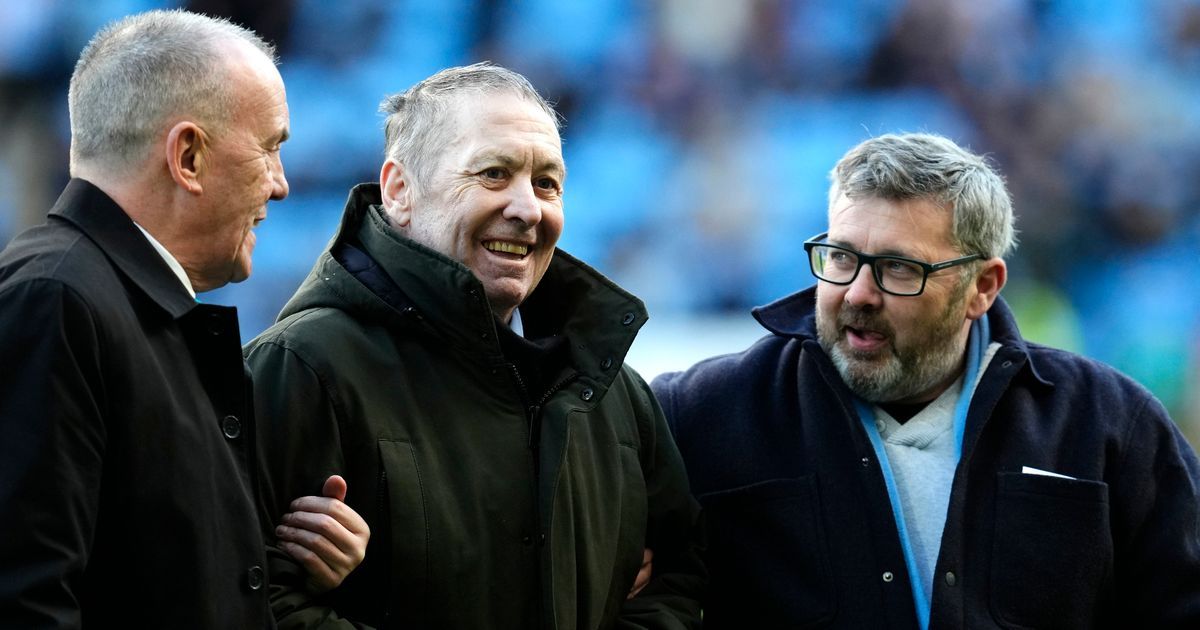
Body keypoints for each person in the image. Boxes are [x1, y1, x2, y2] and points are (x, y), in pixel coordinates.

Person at [652, 133, 1200, 629]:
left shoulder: (1110, 424)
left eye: (899, 268)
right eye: (841, 257)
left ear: (982, 287)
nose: (858, 293)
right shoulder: (697, 414)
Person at [245, 62, 705, 628]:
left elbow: (680, 582)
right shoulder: (302, 369)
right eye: (493, 174)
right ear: (399, 191)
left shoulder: (612, 391)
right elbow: (249, 600)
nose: (528, 209)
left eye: (547, 184)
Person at [0, 10, 368, 627]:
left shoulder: (127, 305)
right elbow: (25, 596)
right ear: (188, 156)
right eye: (270, 147)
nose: (281, 184)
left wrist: (283, 566)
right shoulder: (55, 298)